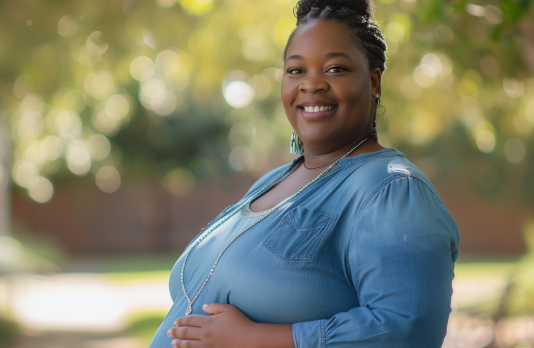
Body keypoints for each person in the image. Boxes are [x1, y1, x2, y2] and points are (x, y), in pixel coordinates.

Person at [150, 0, 460, 347]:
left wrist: (254, 338)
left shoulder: (393, 190)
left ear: (374, 81)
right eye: (296, 71)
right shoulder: (271, 182)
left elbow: (405, 328)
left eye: (335, 69)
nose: (311, 85)